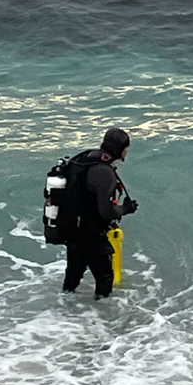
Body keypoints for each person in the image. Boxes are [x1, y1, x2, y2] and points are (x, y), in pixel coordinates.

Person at [63, 127, 138, 299]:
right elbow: (106, 212)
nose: (126, 153)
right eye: (125, 149)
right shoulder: (104, 172)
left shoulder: (86, 157)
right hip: (90, 234)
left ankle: (63, 309)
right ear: (120, 150)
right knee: (105, 277)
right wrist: (126, 209)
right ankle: (102, 316)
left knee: (73, 274)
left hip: (73, 228)